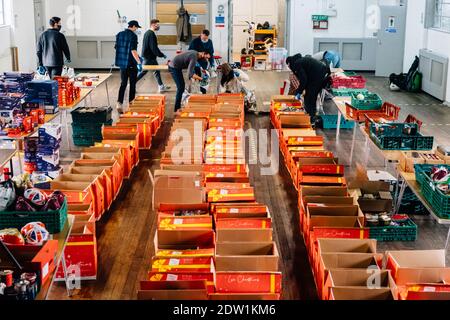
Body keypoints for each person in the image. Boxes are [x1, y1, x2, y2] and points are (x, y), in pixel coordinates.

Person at [286, 54, 331, 118]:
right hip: (321, 74)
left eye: (288, 66)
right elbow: (306, 78)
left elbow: (304, 79)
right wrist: (301, 90)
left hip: (318, 76)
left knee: (310, 98)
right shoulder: (301, 61)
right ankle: (310, 116)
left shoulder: (297, 64)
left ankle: (310, 118)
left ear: (289, 63)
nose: (289, 68)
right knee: (310, 97)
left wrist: (299, 91)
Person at [115, 20, 143, 114]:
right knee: (132, 84)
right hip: (131, 64)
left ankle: (119, 103)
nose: (136, 29)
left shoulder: (119, 34)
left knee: (123, 83)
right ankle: (131, 104)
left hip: (122, 63)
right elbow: (133, 50)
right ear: (133, 26)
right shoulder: (133, 36)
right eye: (136, 27)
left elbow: (116, 47)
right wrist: (139, 62)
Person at [138, 19, 171, 93]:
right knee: (143, 72)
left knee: (156, 71)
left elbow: (153, 47)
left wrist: (160, 54)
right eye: (157, 24)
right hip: (149, 57)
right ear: (153, 24)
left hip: (149, 57)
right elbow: (154, 48)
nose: (158, 26)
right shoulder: (151, 34)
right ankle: (131, 84)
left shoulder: (147, 33)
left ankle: (161, 86)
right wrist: (161, 55)